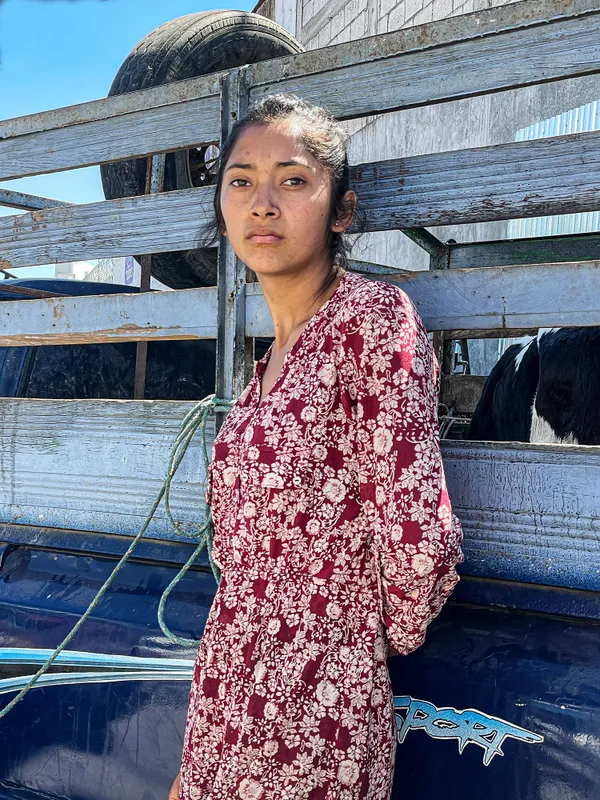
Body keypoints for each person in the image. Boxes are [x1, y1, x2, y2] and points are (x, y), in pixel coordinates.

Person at [170, 93, 464, 800]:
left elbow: (420, 541)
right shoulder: (262, 369)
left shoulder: (369, 320)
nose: (261, 202)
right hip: (224, 696)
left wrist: (337, 646)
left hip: (315, 715)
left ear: (342, 210)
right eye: (240, 181)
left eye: (292, 179)